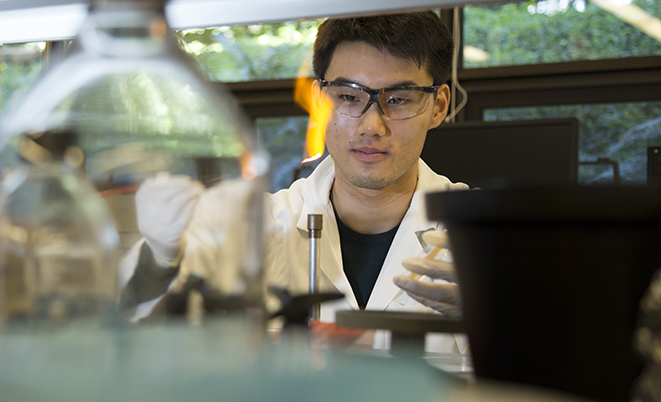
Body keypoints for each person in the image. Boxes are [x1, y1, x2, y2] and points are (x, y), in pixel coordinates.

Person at [121, 11, 468, 353]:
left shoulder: (487, 239)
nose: (372, 126)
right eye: (348, 97)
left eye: (399, 100)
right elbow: (129, 333)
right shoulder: (259, 224)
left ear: (437, 106)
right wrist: (160, 257)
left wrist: (495, 319)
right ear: (319, 100)